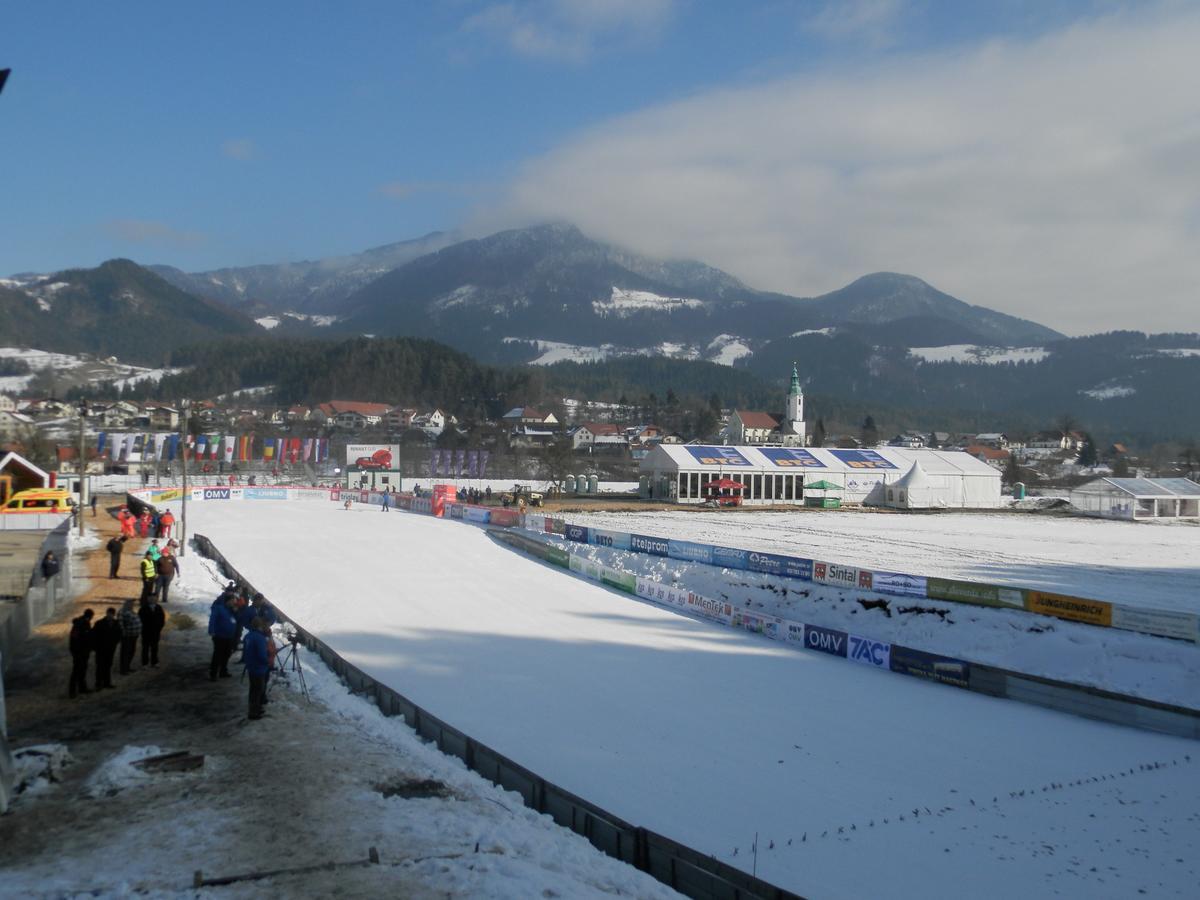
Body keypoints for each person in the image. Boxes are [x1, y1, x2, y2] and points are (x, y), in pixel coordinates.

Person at [243, 617, 270, 720]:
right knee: (258, 690)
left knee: (253, 689)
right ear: (259, 626)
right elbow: (262, 654)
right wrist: (266, 662)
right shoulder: (260, 638)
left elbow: (245, 652)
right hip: (259, 668)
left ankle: (255, 708)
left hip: (251, 667)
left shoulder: (248, 636)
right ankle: (254, 712)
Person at [208, 593, 238, 681]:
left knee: (227, 653)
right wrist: (211, 630)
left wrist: (235, 611)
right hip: (219, 636)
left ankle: (223, 671)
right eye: (232, 601)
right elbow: (212, 619)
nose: (234, 603)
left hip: (228, 636)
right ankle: (213, 673)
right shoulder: (219, 608)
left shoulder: (230, 610)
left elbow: (237, 619)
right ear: (228, 601)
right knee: (217, 654)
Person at [92, 607, 121, 689]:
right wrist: (95, 647)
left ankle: (106, 683)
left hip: (110, 648)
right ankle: (98, 684)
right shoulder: (99, 623)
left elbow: (119, 634)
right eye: (109, 613)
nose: (110, 615)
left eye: (112, 614)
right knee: (100, 666)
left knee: (108, 666)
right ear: (107, 613)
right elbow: (94, 636)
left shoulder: (116, 623)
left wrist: (115, 643)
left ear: (113, 615)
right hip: (100, 649)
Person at [68, 609, 94, 698]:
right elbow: (76, 639)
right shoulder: (80, 624)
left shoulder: (83, 623)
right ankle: (73, 691)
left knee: (82, 670)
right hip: (79, 652)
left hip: (83, 651)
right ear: (90, 616)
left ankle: (81, 688)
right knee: (77, 671)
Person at [139, 597, 166, 667]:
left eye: (154, 599)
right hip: (146, 632)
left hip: (155, 631)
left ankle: (154, 662)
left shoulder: (159, 608)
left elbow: (162, 619)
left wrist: (159, 628)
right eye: (151, 599)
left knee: (155, 647)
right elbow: (140, 620)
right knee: (145, 648)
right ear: (148, 600)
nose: (152, 600)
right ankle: (145, 663)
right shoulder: (143, 608)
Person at [118, 598, 141, 674]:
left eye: (132, 603)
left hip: (134, 635)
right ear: (126, 603)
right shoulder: (122, 612)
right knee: (125, 652)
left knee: (131, 651)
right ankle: (123, 669)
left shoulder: (131, 611)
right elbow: (120, 623)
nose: (132, 605)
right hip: (127, 636)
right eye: (131, 603)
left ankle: (127, 667)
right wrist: (123, 632)